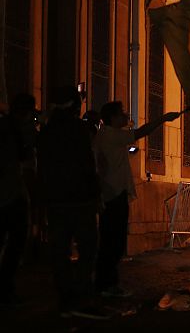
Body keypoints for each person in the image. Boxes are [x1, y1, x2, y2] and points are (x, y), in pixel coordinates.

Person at [94, 101, 179, 298]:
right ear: (112, 118)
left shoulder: (104, 135)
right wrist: (164, 118)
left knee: (110, 240)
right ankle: (106, 284)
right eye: (121, 113)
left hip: (110, 192)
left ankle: (106, 282)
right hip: (114, 193)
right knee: (113, 242)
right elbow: (141, 132)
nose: (125, 115)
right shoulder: (111, 134)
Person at [38, 86, 104, 319]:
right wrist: (95, 194)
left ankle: (65, 300)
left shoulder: (46, 130)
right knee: (87, 249)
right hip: (79, 199)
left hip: (55, 200)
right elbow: (87, 164)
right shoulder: (78, 129)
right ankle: (82, 298)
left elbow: (43, 166)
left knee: (60, 251)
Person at [0, 94, 38, 307]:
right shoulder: (16, 129)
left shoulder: (4, 125)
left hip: (9, 192)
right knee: (15, 243)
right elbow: (24, 155)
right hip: (11, 194)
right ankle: (5, 288)